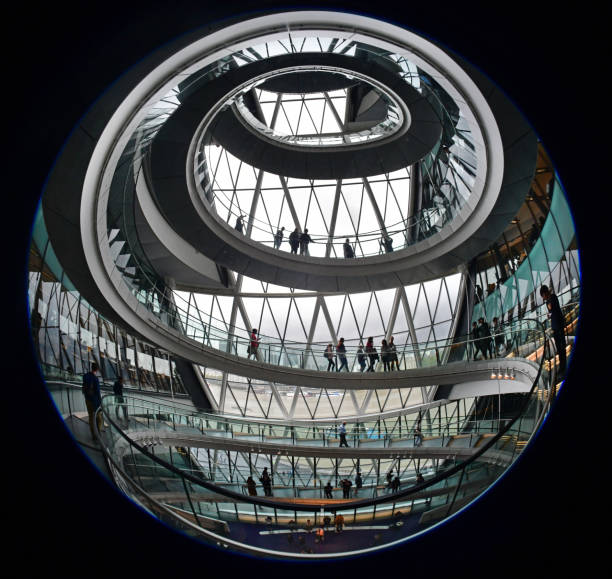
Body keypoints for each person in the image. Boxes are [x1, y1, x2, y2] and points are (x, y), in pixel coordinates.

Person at [540, 285, 567, 375]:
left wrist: (550, 313)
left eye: (542, 296)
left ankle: (564, 366)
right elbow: (552, 311)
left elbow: (555, 310)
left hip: (558, 325)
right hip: (555, 326)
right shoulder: (548, 300)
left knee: (561, 346)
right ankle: (562, 365)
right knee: (558, 347)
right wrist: (549, 314)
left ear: (544, 293)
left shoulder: (553, 297)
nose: (543, 298)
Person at [82, 362, 103, 440]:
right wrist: (100, 402)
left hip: (87, 400)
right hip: (94, 401)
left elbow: (84, 387)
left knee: (91, 417)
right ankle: (98, 432)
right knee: (99, 418)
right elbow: (97, 392)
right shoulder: (95, 379)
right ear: (97, 369)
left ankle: (93, 434)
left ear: (91, 367)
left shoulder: (85, 376)